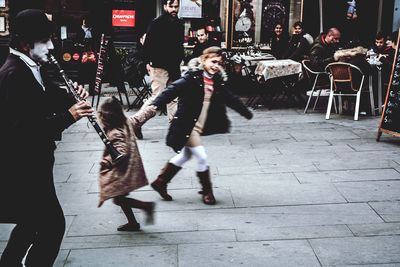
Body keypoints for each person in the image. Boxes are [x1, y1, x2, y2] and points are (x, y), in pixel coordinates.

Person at [0, 9, 93, 266]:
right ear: (25, 43)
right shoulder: (14, 74)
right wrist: (70, 116)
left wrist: (71, 96)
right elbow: (22, 130)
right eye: (45, 41)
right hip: (24, 165)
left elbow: (47, 93)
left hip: (36, 162)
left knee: (31, 222)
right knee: (52, 225)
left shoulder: (29, 66)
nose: (51, 46)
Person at [131, 47, 253, 205]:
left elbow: (228, 97)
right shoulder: (192, 77)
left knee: (186, 155)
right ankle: (207, 191)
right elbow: (171, 90)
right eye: (213, 61)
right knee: (201, 156)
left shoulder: (216, 80)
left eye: (219, 63)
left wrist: (244, 111)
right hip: (186, 123)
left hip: (198, 124)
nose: (216, 65)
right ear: (203, 60)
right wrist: (156, 105)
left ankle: (161, 182)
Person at [97, 97, 155, 232]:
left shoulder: (115, 132)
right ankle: (132, 222)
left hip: (122, 170)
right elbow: (139, 117)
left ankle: (146, 206)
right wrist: (151, 110)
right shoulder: (126, 122)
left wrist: (105, 162)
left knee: (118, 199)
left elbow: (120, 150)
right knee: (120, 196)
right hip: (130, 167)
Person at [135, 0, 184, 139]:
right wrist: (147, 63)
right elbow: (147, 45)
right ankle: (136, 122)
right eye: (171, 6)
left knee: (173, 98)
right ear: (165, 6)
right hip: (160, 67)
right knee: (157, 98)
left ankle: (174, 128)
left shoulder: (179, 24)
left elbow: (179, 45)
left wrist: (180, 59)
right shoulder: (157, 23)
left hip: (174, 67)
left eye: (176, 6)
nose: (174, 9)